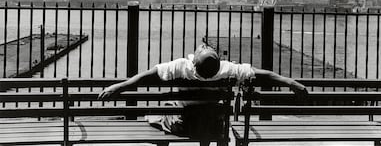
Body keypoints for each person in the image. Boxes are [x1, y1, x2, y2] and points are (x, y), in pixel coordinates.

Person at [98, 43, 308, 137]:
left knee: (156, 114)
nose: (203, 46)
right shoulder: (227, 69)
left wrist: (119, 86)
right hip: (212, 126)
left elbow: (147, 75)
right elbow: (263, 74)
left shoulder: (182, 66)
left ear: (194, 63)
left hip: (183, 125)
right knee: (210, 114)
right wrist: (291, 82)